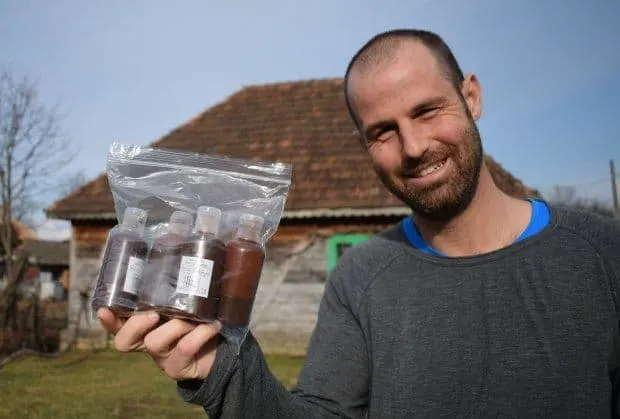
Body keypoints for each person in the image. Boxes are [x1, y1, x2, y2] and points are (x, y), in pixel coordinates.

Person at [98, 28, 620, 418]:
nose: (414, 147)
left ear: (472, 97)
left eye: (428, 110)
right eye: (383, 131)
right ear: (365, 147)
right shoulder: (360, 277)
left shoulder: (603, 255)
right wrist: (219, 372)